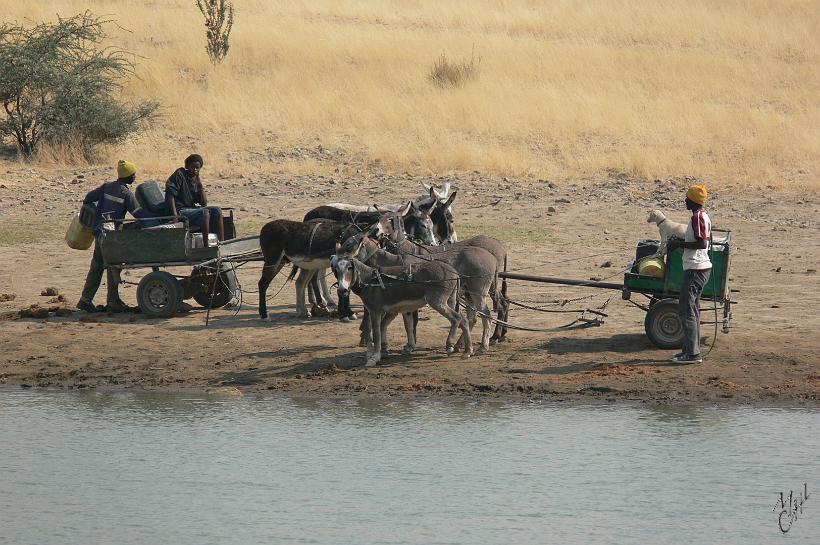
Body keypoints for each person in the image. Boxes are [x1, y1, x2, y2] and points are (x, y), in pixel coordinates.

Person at [77, 160, 154, 313]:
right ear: (128, 177)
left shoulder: (106, 187)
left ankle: (86, 299)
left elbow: (88, 198)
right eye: (133, 175)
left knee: (97, 266)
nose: (134, 177)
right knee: (113, 265)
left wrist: (94, 215)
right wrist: (156, 219)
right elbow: (138, 213)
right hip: (111, 236)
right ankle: (112, 301)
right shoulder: (125, 193)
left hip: (100, 232)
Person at [667, 184, 712, 364]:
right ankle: (688, 351)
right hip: (698, 268)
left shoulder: (698, 217)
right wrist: (681, 241)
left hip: (696, 269)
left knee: (687, 310)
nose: (684, 200)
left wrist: (679, 245)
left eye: (687, 198)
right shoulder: (701, 216)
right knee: (692, 310)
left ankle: (692, 355)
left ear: (693, 201)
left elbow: (701, 244)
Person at [165, 154, 224, 246]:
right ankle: (206, 245)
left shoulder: (196, 180)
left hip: (191, 210)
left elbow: (204, 204)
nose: (195, 170)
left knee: (217, 210)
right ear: (187, 166)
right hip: (181, 210)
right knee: (205, 213)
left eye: (197, 168)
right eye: (193, 167)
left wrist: (200, 187)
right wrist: (175, 215)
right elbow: (169, 194)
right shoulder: (180, 174)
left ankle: (222, 243)